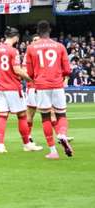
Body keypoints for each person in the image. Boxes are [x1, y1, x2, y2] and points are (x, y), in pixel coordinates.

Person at [25, 20, 73, 159]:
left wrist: (37, 77)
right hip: (57, 85)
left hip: (41, 86)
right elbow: (67, 70)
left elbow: (30, 72)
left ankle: (53, 151)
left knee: (45, 117)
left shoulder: (31, 48)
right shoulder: (59, 46)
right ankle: (62, 134)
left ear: (38, 32)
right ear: (49, 31)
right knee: (61, 115)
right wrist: (60, 76)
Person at [0, 27, 38, 153]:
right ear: (16, 37)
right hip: (12, 87)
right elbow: (17, 70)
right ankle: (27, 144)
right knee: (22, 116)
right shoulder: (13, 51)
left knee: (2, 116)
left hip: (0, 87)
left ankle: (0, 145)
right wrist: (30, 79)